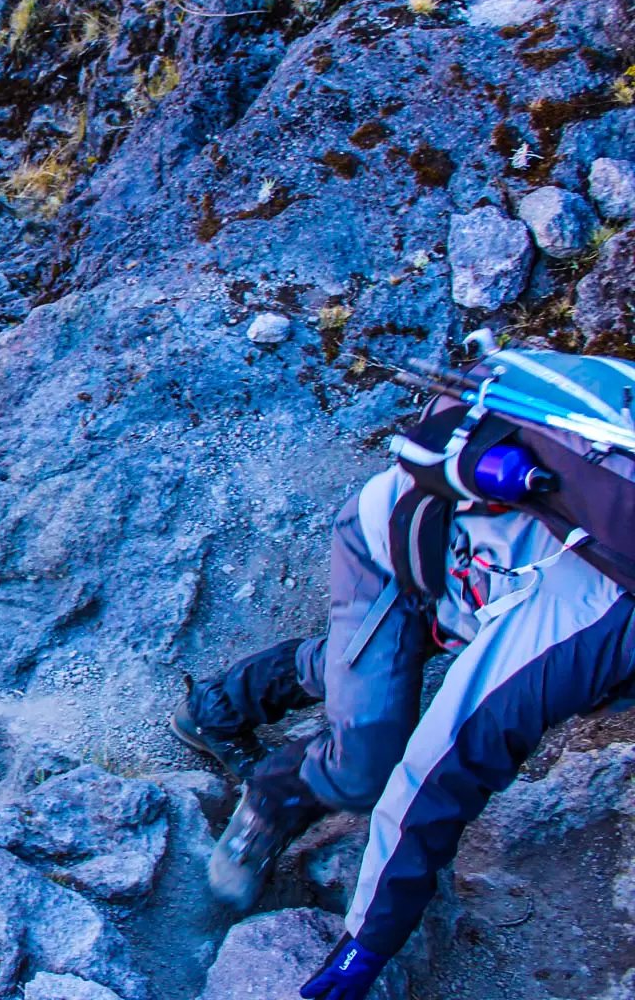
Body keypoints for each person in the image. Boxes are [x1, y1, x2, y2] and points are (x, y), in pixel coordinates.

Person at [176, 349, 635, 1000]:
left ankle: (224, 704)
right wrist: (367, 942)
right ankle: (274, 794)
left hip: (482, 570)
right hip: (391, 550)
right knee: (366, 768)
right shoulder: (587, 629)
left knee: (373, 668)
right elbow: (437, 775)